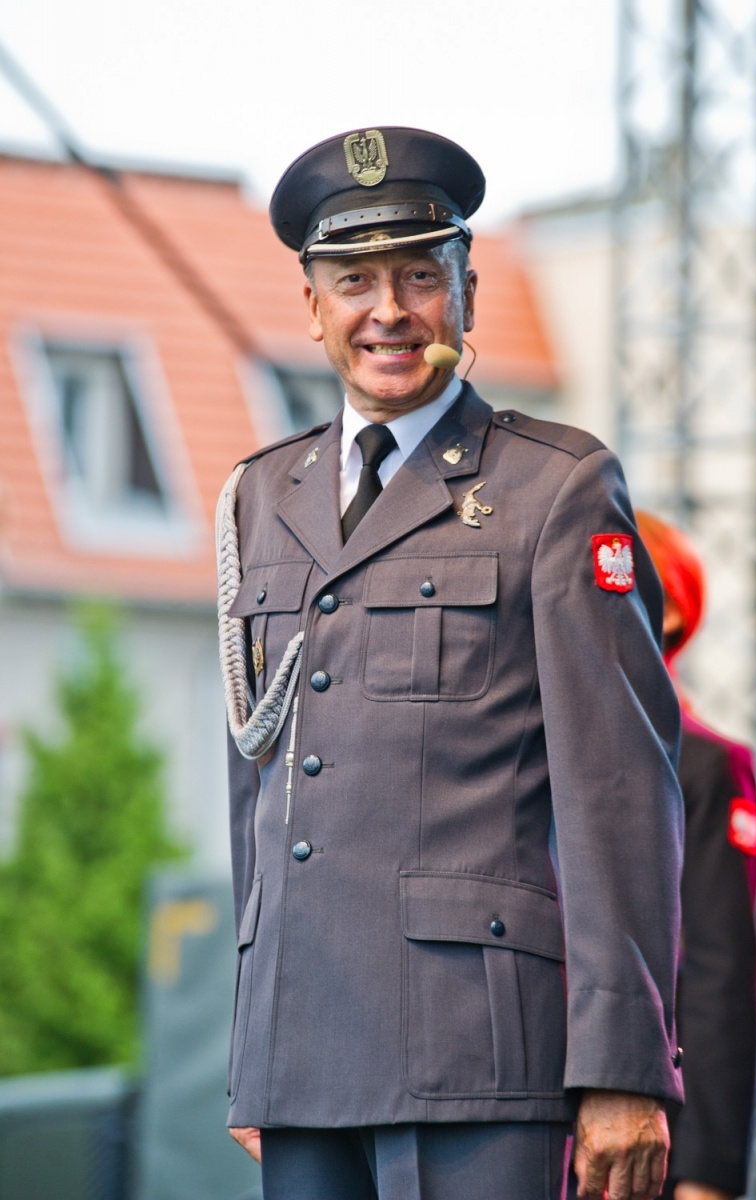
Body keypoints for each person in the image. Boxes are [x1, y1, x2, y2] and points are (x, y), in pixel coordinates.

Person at [215, 125, 684, 1200]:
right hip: (301, 1049)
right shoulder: (259, 496)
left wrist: (622, 1066)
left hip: (479, 1053)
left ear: (465, 290)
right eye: (356, 281)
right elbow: (256, 781)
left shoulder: (554, 490)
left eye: (422, 275)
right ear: (312, 303)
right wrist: (255, 1036)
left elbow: (617, 791)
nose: (389, 310)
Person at [635, 511, 756, 1200]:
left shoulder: (705, 766)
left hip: (649, 1140)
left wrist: (704, 1174)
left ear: (673, 618)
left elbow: (718, 973)